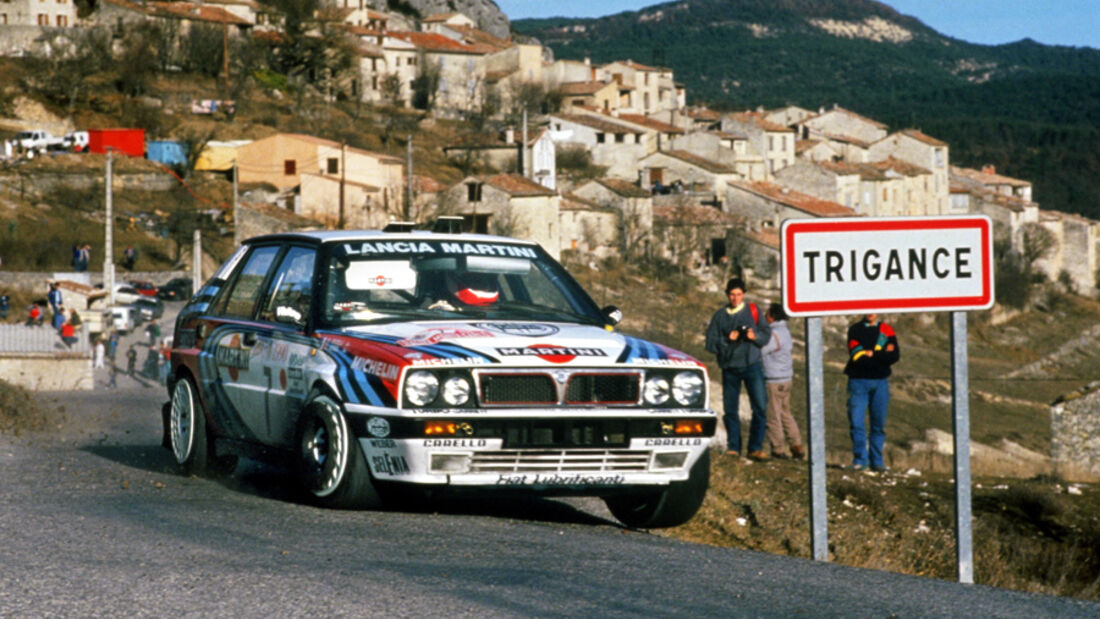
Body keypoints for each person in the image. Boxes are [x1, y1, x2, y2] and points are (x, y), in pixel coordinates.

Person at [705, 277, 771, 460]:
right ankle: (734, 447)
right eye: (732, 295)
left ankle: (755, 448)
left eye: (739, 295)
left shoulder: (754, 311)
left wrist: (754, 336)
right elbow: (710, 344)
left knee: (760, 407)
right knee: (730, 410)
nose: (735, 298)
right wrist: (727, 340)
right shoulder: (719, 316)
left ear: (744, 295)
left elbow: (766, 335)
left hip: (752, 365)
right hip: (730, 368)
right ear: (727, 295)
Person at [844, 313, 901, 472]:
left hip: (881, 382)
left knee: (878, 424)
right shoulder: (854, 329)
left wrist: (872, 353)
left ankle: (877, 462)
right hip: (858, 381)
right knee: (856, 423)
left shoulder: (886, 330)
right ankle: (860, 460)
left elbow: (894, 356)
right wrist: (882, 353)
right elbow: (857, 355)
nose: (870, 313)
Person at [760, 304, 803, 459]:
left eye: (766, 314)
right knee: (786, 414)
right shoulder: (785, 332)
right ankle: (796, 445)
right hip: (786, 379)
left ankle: (778, 449)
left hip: (773, 379)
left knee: (773, 416)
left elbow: (761, 350)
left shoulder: (774, 334)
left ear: (771, 316)